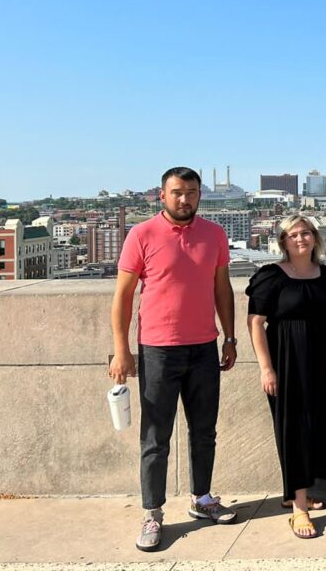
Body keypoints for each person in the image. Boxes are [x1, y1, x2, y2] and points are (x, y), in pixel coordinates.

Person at [108, 166, 238, 552]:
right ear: (161, 196)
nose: (185, 199)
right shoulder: (141, 234)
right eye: (178, 192)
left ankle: (202, 499)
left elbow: (222, 288)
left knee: (204, 431)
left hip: (203, 347)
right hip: (158, 349)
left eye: (192, 192)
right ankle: (152, 513)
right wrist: (122, 349)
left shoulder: (214, 234)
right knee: (155, 436)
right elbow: (123, 296)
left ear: (201, 195)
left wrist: (229, 337)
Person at [246, 214, 326, 539]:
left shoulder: (325, 274)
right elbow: (256, 323)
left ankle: (299, 492)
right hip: (285, 362)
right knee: (294, 431)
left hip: (319, 361)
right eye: (293, 235)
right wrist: (266, 367)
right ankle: (298, 508)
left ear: (315, 238)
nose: (300, 239)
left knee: (316, 428)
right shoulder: (270, 275)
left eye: (305, 233)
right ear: (283, 242)